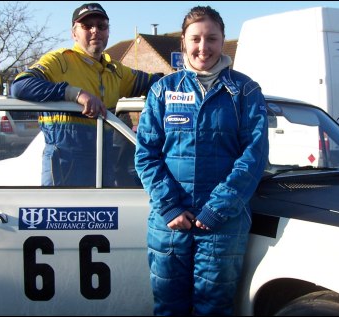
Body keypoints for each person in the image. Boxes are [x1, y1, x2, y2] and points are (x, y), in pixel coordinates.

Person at [135, 6, 269, 316]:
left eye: (212, 38)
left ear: (223, 41)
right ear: (183, 41)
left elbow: (254, 155)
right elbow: (145, 154)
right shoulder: (163, 91)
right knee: (169, 308)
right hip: (170, 224)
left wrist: (216, 209)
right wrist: (170, 206)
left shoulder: (245, 91)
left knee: (214, 309)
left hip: (222, 225)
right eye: (195, 38)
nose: (203, 47)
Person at [11, 3, 159, 186]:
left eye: (101, 26)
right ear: (74, 33)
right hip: (64, 177)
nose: (95, 30)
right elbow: (20, 86)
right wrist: (74, 94)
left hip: (101, 174)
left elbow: (155, 84)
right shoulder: (59, 61)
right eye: (87, 26)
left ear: (108, 32)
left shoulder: (115, 71)